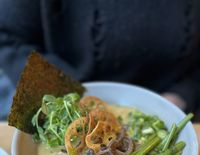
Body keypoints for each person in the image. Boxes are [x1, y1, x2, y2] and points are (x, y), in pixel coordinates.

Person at [0, 0, 200, 120]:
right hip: (65, 100)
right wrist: (69, 99)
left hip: (170, 111)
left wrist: (179, 96)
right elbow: (6, 38)